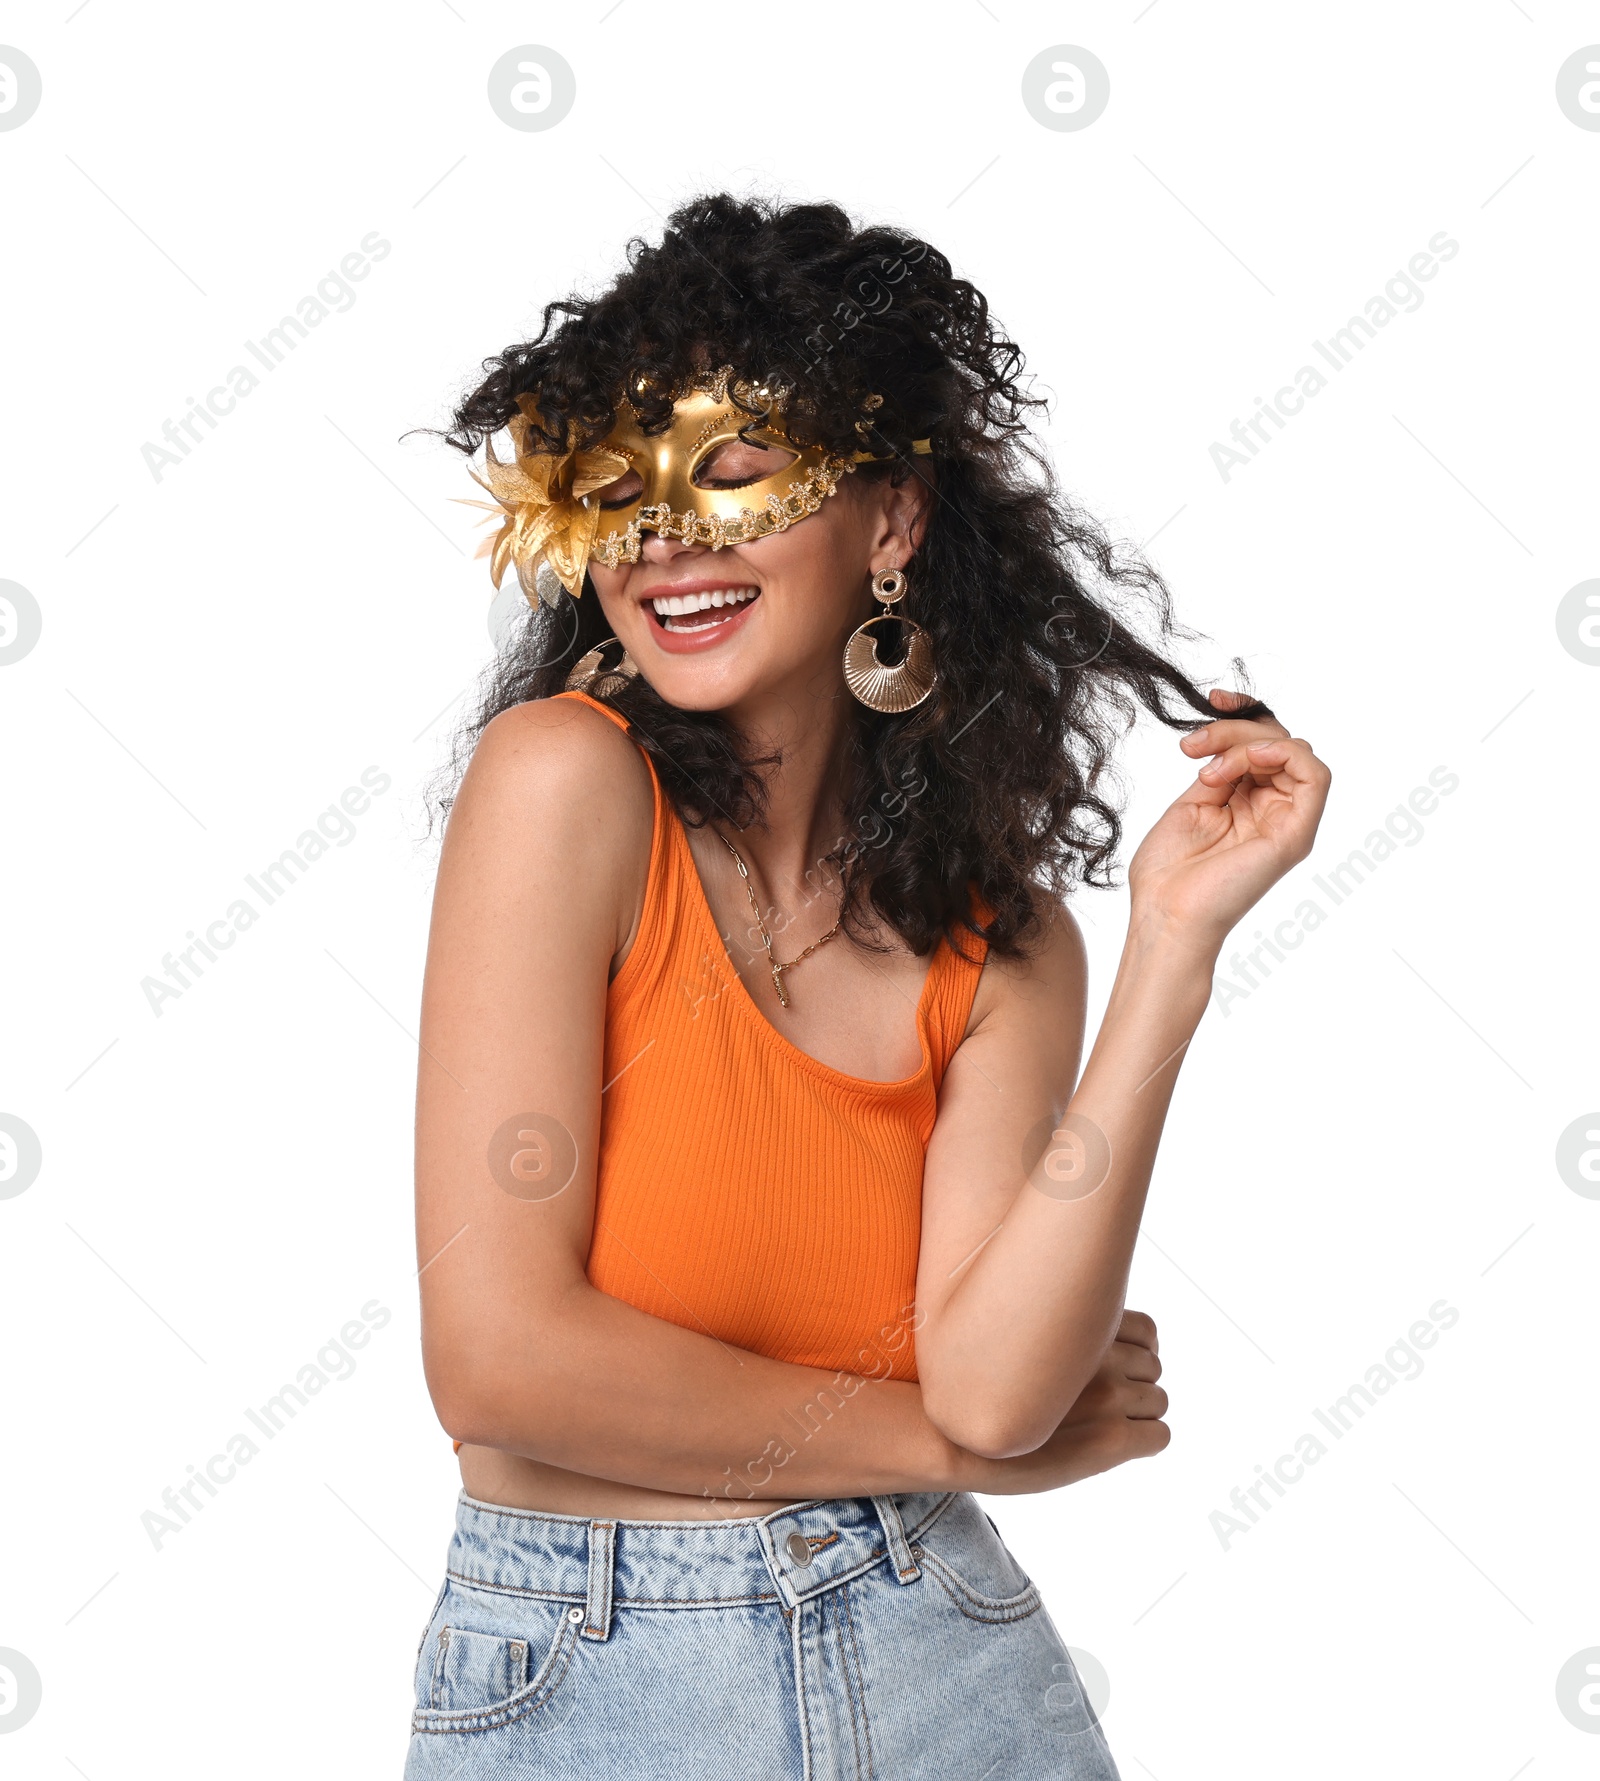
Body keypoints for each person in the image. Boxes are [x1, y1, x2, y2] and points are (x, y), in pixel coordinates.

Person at [405, 195, 1330, 1778]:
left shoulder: (1006, 939)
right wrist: (960, 1450)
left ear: (891, 518)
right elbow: (500, 1359)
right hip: (596, 1669)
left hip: (947, 1660)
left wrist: (1173, 948)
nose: (663, 539)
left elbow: (1000, 1377)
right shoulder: (562, 783)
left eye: (733, 469)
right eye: (611, 490)